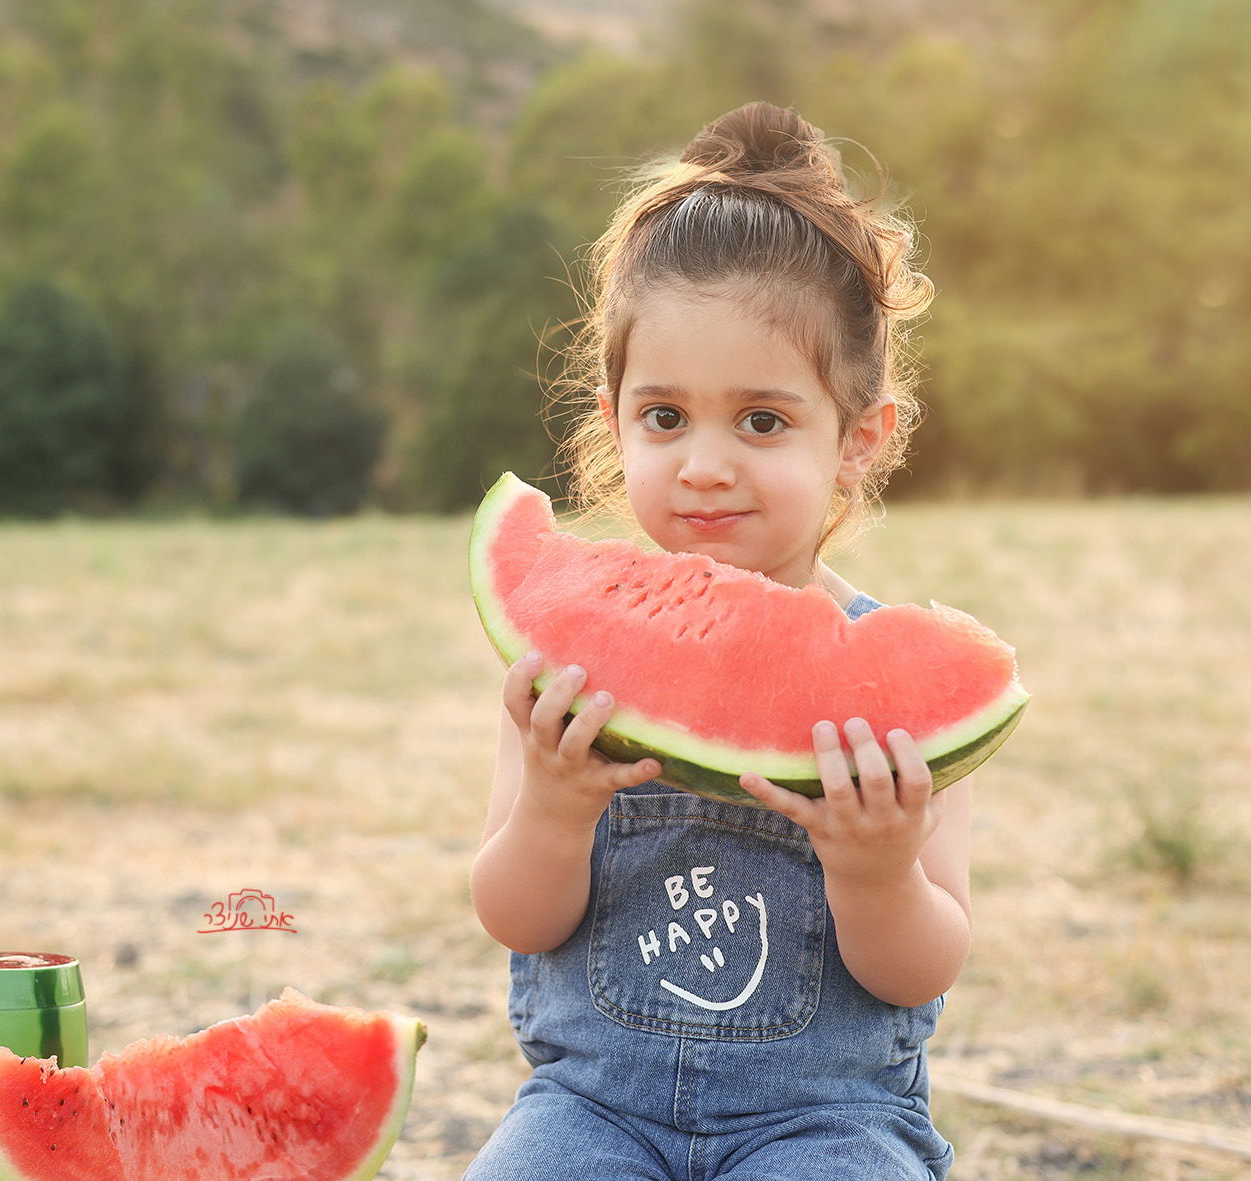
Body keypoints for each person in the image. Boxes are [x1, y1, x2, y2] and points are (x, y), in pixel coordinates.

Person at [466, 102, 967, 1180]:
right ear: (611, 420)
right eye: (663, 417)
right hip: (592, 1111)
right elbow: (512, 911)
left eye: (760, 420)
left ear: (856, 437)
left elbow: (922, 969)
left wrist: (878, 874)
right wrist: (552, 809)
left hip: (824, 1124)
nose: (702, 462)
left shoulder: (889, 680)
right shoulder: (565, 662)